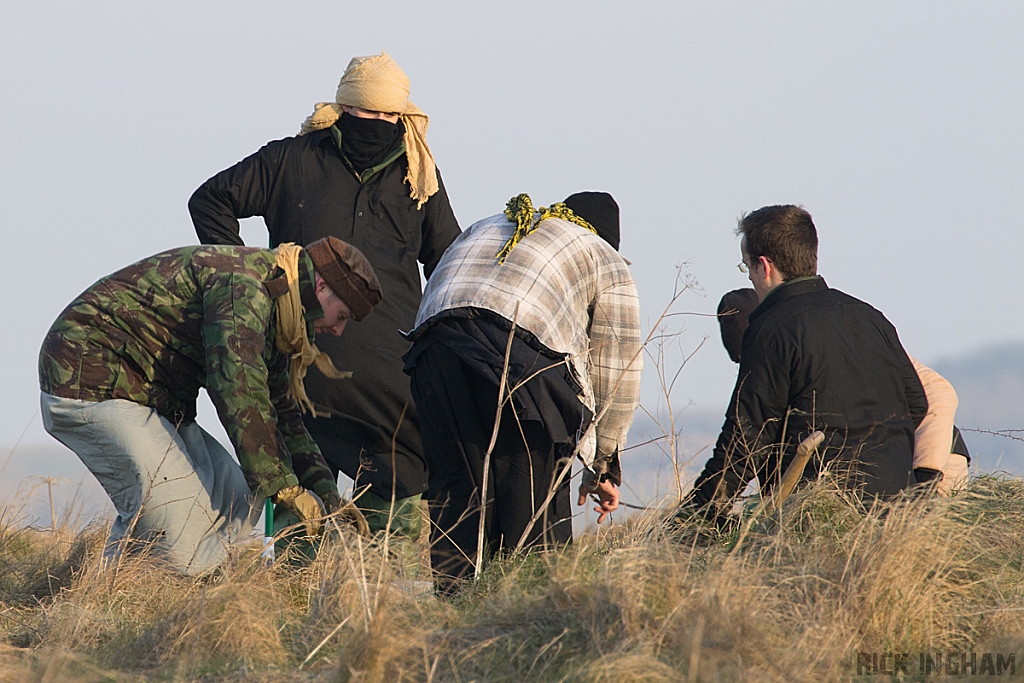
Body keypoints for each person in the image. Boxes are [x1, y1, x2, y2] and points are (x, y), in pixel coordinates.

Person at [188, 52, 461, 571]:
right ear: (343, 108)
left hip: (390, 377)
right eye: (368, 113)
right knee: (300, 515)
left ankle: (386, 614)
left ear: (403, 118)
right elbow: (210, 201)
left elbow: (448, 260)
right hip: (300, 371)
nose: (378, 125)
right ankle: (291, 608)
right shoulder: (292, 159)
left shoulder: (417, 175)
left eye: (389, 117)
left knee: (394, 525)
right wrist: (259, 279)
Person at [38, 237, 382, 574]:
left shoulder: (280, 308)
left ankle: (182, 587)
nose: (337, 331)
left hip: (150, 397)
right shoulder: (245, 288)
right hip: (90, 379)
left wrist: (329, 498)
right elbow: (238, 389)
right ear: (321, 288)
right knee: (176, 521)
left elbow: (281, 413)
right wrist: (286, 488)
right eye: (342, 316)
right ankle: (120, 598)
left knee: (239, 494)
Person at [403, 192, 642, 593]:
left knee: (458, 493)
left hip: (433, 348)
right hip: (519, 354)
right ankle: (532, 613)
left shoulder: (498, 224)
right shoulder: (602, 255)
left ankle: (454, 614)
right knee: (531, 499)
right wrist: (603, 464)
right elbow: (617, 374)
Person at [684, 205, 928, 522]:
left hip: (816, 514)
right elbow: (917, 404)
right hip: (899, 510)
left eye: (747, 268)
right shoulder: (870, 318)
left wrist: (695, 515)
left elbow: (745, 439)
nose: (751, 279)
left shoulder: (771, 329)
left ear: (764, 266)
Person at [717, 288, 970, 497]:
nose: (747, 366)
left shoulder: (836, 342)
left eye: (747, 356)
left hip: (937, 459)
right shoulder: (801, 348)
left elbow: (939, 393)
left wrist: (925, 478)